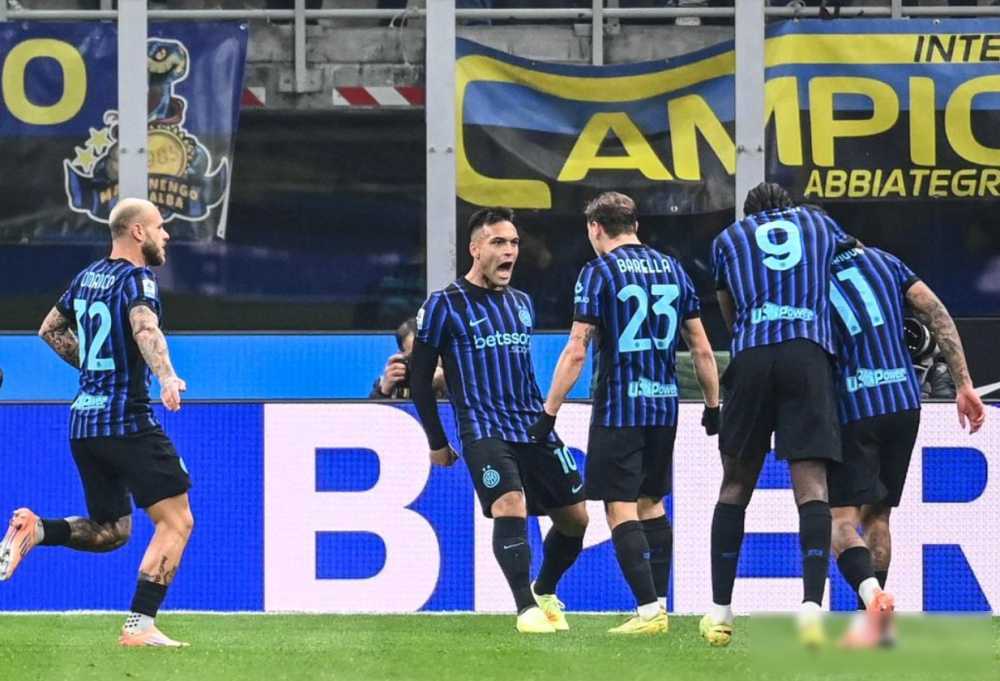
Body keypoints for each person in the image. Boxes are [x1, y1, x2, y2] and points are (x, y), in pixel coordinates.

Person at [0, 198, 194, 648]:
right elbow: (145, 329)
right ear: (138, 232)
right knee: (177, 521)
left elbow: (49, 329)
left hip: (84, 423)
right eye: (159, 227)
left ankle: (37, 529)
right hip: (127, 421)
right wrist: (166, 376)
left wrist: (93, 369)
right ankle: (140, 627)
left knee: (111, 531)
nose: (166, 235)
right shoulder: (138, 279)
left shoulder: (86, 277)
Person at [529, 192, 720, 635]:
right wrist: (713, 406)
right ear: (635, 225)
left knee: (619, 507)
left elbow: (577, 350)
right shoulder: (674, 269)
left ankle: (649, 611)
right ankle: (660, 604)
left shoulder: (598, 272)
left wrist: (549, 411)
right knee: (651, 503)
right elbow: (701, 347)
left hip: (620, 406)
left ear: (595, 228)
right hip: (664, 405)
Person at [409, 207, 589, 634]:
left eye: (514, 243)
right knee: (511, 503)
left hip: (532, 425)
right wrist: (437, 440)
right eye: (498, 243)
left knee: (576, 520)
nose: (509, 251)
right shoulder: (443, 305)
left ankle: (544, 591)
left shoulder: (522, 304)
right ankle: (526, 610)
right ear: (475, 249)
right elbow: (419, 379)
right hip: (482, 427)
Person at [700, 182, 855, 648]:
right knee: (812, 486)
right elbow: (854, 260)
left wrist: (752, 335)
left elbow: (727, 306)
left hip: (751, 354)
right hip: (807, 352)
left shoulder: (728, 238)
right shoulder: (818, 223)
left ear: (748, 214)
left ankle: (721, 610)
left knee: (734, 483)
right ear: (789, 207)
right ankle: (810, 606)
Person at [827, 243, 986, 647]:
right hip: (902, 401)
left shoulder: (813, 270)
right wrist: (964, 384)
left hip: (855, 402)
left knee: (840, 520)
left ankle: (872, 598)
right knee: (878, 516)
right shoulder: (886, 261)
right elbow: (937, 313)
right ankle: (874, 630)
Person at [369, 317, 445, 399]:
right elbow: (373, 407)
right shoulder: (396, 378)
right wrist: (383, 391)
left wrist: (446, 387)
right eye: (416, 356)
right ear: (402, 355)